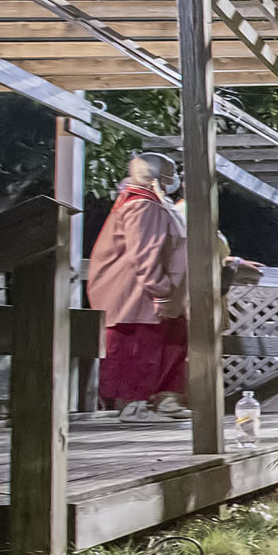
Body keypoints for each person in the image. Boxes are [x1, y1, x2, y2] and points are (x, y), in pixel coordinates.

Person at [91, 153, 190, 418]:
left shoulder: (146, 202)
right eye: (172, 172)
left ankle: (162, 400)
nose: (176, 178)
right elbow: (145, 254)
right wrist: (161, 289)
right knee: (139, 348)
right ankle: (134, 405)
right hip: (139, 296)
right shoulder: (142, 206)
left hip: (148, 294)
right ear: (161, 177)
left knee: (170, 342)